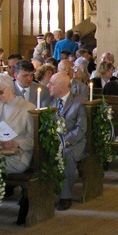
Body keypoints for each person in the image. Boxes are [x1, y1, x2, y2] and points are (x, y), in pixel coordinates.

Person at [0, 73, 36, 229]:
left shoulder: (28, 108)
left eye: (0, 92)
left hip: (19, 156)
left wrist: (15, 143)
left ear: (10, 88)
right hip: (0, 154)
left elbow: (33, 139)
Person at [47, 72, 88, 211]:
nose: (48, 86)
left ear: (62, 87)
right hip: (54, 140)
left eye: (52, 84)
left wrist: (64, 141)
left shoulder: (79, 101)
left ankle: (65, 196)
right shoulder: (50, 101)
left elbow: (81, 128)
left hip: (75, 142)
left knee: (66, 155)